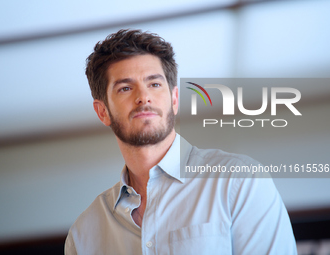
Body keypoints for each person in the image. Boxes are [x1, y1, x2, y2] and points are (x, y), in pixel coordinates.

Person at [65, 29, 297, 254]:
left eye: (154, 84)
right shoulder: (83, 235)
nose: (143, 96)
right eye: (125, 88)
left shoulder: (239, 181)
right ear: (102, 111)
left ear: (174, 99)